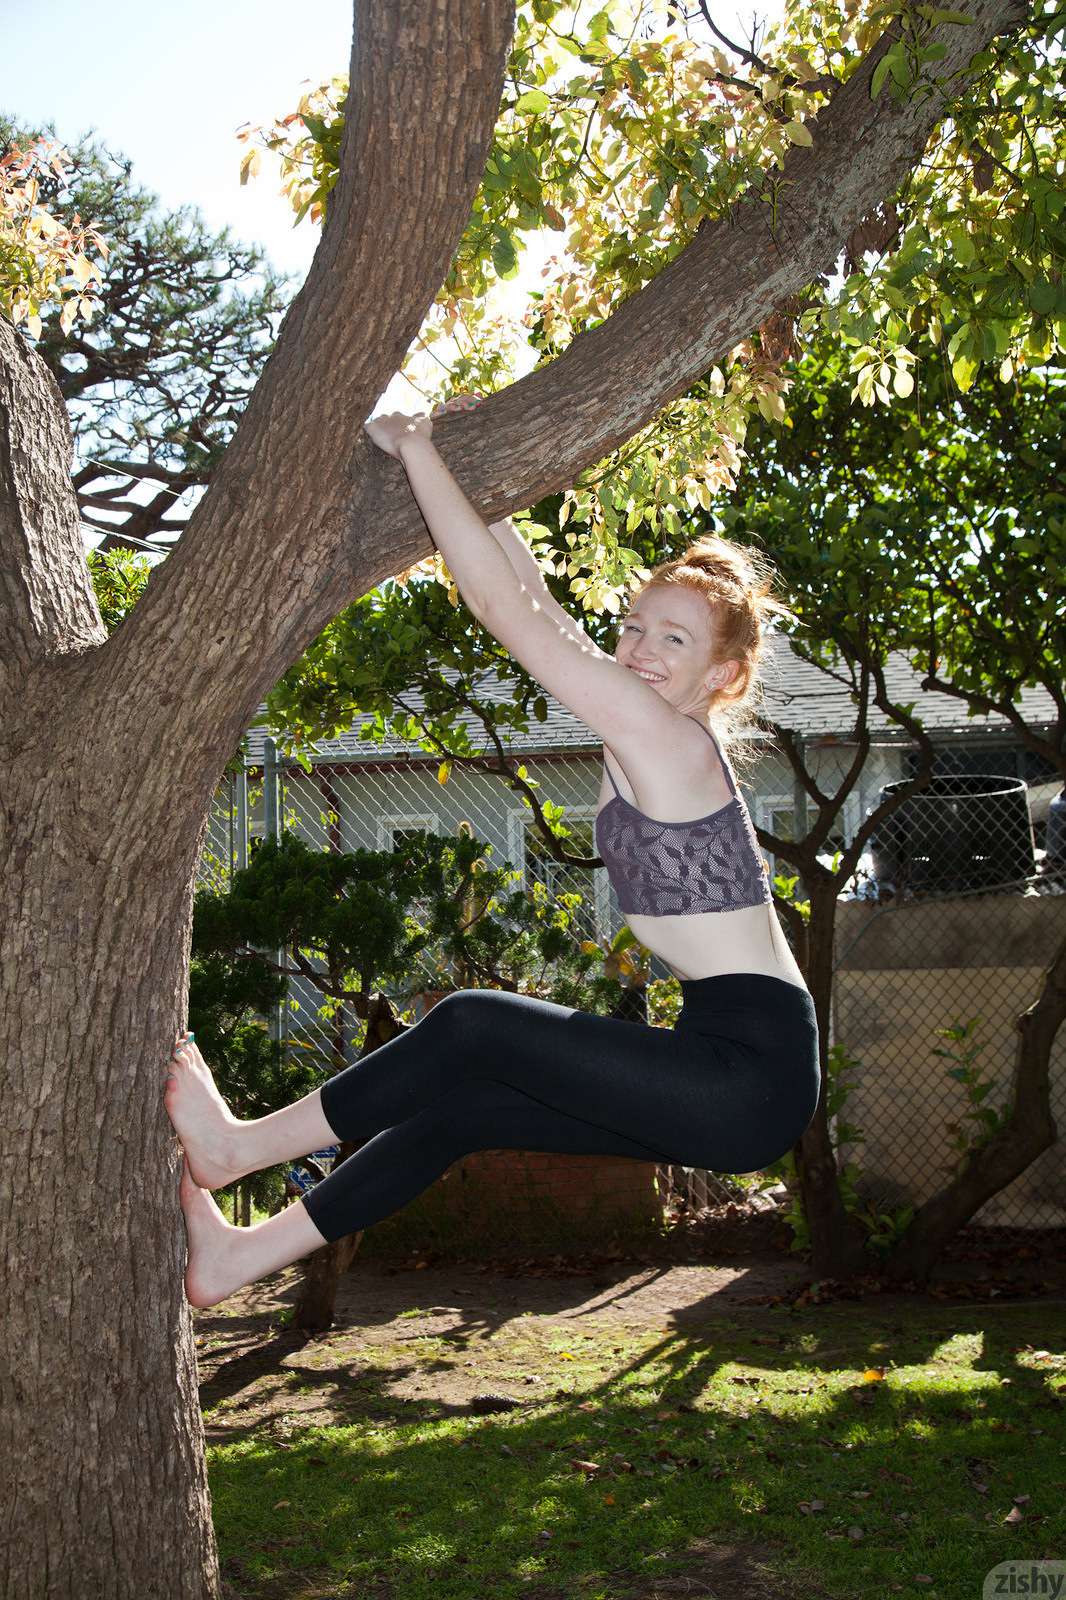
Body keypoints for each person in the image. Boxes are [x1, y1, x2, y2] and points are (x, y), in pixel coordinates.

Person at [165, 395, 821, 1309]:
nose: (639, 648)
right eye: (634, 625)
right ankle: (240, 1259)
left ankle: (241, 1147)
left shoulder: (669, 740)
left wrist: (413, 447)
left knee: (473, 1022)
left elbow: (497, 608)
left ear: (722, 675)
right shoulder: (641, 725)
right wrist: (476, 481)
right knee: (464, 1112)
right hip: (729, 1068)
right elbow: (538, 605)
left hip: (747, 1075)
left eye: (673, 639)